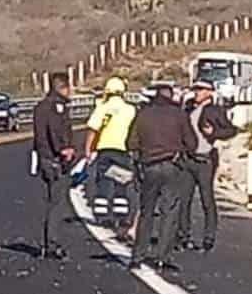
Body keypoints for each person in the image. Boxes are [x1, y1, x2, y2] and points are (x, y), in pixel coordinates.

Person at [127, 84, 197, 272]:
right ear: (171, 96)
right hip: (172, 165)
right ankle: (162, 256)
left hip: (148, 166)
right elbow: (192, 143)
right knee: (169, 211)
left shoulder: (143, 114)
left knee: (146, 212)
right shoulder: (179, 115)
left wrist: (139, 159)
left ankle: (137, 256)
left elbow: (131, 142)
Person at [177, 80, 238, 252]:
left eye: (200, 89)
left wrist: (214, 133)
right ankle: (183, 235)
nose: (196, 92)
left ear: (210, 92)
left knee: (207, 199)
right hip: (187, 158)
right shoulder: (187, 108)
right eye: (195, 89)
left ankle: (208, 237)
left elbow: (231, 130)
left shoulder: (215, 110)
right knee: (184, 199)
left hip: (205, 160)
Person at [31, 72, 75, 260]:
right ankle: (52, 244)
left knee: (52, 200)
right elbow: (54, 129)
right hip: (55, 160)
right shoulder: (56, 107)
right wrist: (63, 149)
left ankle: (49, 243)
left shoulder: (40, 107)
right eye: (68, 87)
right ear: (62, 87)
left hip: (44, 158)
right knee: (57, 204)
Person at [85, 76, 137, 233]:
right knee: (121, 184)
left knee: (104, 183)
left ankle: (102, 217)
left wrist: (88, 149)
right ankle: (120, 217)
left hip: (105, 149)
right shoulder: (130, 109)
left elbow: (93, 129)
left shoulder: (102, 107)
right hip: (123, 151)